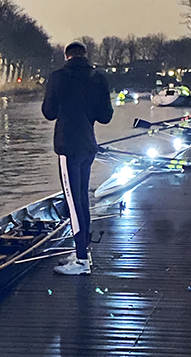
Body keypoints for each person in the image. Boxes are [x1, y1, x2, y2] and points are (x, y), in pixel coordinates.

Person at [41, 41, 114, 275]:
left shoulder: (58, 77)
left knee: (73, 204)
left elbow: (49, 112)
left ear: (67, 56)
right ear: (85, 55)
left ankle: (82, 261)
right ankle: (83, 251)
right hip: (88, 145)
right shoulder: (98, 77)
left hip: (67, 146)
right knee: (82, 200)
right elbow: (105, 116)